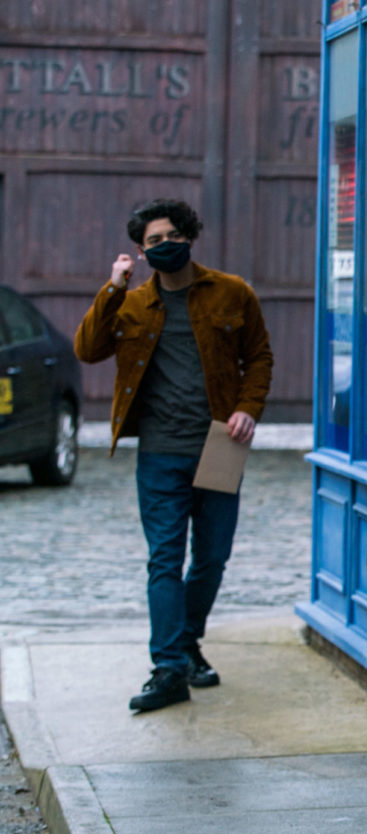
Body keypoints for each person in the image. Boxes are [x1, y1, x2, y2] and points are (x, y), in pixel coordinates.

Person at [75, 199, 273, 713]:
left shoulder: (232, 292)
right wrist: (113, 287)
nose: (163, 246)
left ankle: (186, 642)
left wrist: (249, 408)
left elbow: (259, 356)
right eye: (152, 242)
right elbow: (88, 348)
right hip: (161, 451)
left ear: (189, 235)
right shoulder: (133, 302)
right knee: (165, 558)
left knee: (211, 558)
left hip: (220, 444)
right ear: (140, 252)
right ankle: (168, 669)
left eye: (170, 237)